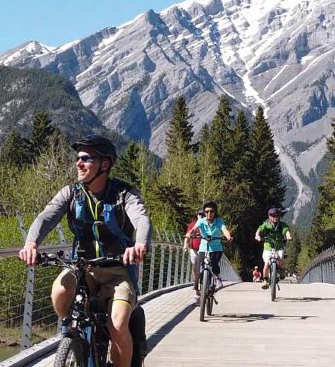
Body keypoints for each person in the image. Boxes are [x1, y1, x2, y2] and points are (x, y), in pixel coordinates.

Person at [18, 134, 151, 367]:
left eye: (86, 158)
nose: (79, 163)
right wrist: (31, 243)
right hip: (82, 268)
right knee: (59, 291)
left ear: (105, 164)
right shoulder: (71, 193)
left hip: (117, 271)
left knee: (118, 324)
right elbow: (45, 218)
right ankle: (73, 335)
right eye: (78, 158)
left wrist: (140, 244)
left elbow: (141, 219)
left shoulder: (124, 194)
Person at [184, 200, 232, 290]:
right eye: (207, 211)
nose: (209, 213)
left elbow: (224, 230)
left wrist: (228, 236)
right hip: (203, 248)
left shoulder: (219, 221)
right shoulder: (201, 221)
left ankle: (217, 278)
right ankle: (198, 283)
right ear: (204, 212)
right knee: (200, 265)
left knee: (214, 264)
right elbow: (194, 229)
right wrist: (189, 234)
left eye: (212, 211)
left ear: (215, 212)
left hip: (216, 248)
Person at [255, 206, 292, 290]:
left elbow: (286, 231)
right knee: (267, 263)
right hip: (268, 247)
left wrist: (288, 236)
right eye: (273, 216)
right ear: (269, 216)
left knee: (280, 258)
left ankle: (282, 269)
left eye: (277, 216)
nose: (275, 218)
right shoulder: (266, 225)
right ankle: (265, 280)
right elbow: (259, 230)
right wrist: (257, 235)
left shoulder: (282, 225)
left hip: (278, 247)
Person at [182, 209, 205, 302]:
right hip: (193, 250)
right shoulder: (192, 225)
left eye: (202, 215)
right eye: (199, 214)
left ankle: (204, 284)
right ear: (197, 215)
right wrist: (185, 246)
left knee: (204, 268)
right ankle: (197, 287)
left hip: (204, 249)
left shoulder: (206, 225)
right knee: (195, 267)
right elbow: (187, 235)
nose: (200, 216)